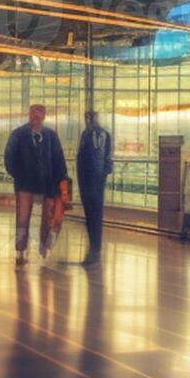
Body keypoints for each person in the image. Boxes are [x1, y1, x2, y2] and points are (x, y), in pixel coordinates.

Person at [2, 104, 66, 265]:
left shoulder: (51, 136)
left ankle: (43, 248)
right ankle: (21, 250)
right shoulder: (18, 135)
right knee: (22, 218)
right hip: (25, 184)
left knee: (47, 218)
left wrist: (60, 179)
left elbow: (58, 158)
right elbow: (9, 157)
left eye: (37, 117)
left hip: (47, 184)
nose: (34, 120)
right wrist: (17, 174)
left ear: (43, 117)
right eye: (32, 116)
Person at [75, 110, 114, 265]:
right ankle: (94, 248)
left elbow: (93, 159)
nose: (87, 120)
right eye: (86, 118)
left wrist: (96, 178)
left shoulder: (95, 134)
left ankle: (94, 250)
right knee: (92, 215)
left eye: (90, 118)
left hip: (92, 181)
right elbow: (107, 162)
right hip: (91, 180)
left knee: (93, 215)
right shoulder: (91, 134)